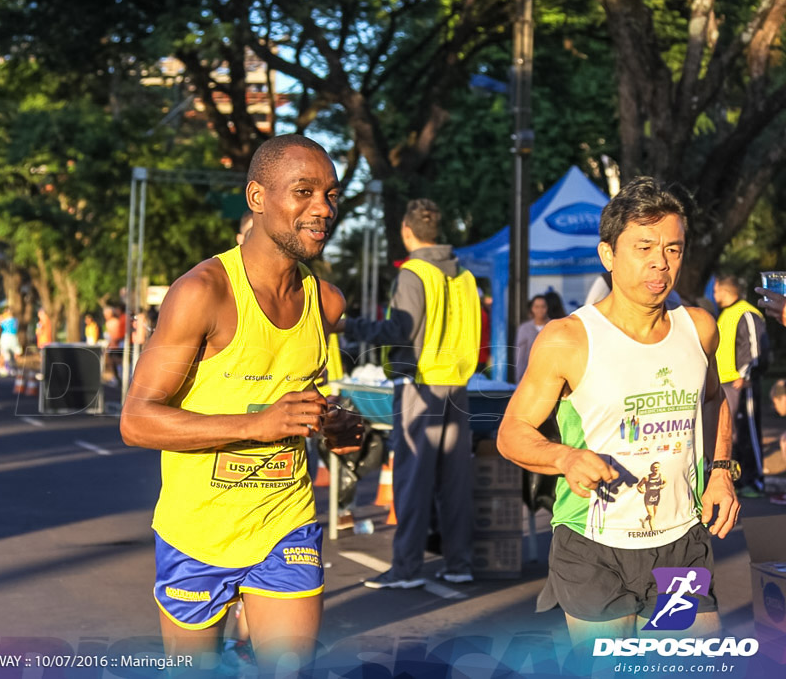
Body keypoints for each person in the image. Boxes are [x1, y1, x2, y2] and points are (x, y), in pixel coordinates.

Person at [120, 134, 362, 674]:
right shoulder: (203, 292)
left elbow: (299, 396)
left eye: (331, 195)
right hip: (197, 532)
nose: (323, 209)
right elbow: (136, 420)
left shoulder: (326, 301)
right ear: (257, 197)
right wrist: (258, 425)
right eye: (303, 192)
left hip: (285, 524)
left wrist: (334, 422)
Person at [496, 176, 738, 649]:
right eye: (643, 246)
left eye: (672, 248)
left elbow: (713, 399)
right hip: (593, 547)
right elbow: (512, 433)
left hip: (679, 543)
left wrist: (722, 470)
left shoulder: (699, 328)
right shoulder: (568, 338)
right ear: (608, 254)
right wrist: (564, 459)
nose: (659, 262)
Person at [338, 198, 482, 589]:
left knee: (413, 480)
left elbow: (398, 330)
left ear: (406, 231)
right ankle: (459, 563)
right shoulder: (465, 276)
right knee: (454, 480)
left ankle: (406, 569)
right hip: (458, 386)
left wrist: (350, 325)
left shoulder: (413, 274)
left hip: (421, 387)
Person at [713, 273, 768, 497]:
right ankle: (737, 480)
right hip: (724, 383)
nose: (714, 295)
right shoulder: (725, 315)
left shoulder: (745, 312)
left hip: (741, 384)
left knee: (748, 431)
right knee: (731, 433)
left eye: (716, 290)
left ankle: (755, 481)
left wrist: (747, 375)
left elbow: (756, 347)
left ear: (726, 291)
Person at [516, 294, 549, 382]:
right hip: (529, 377)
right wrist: (519, 377)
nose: (540, 310)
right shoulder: (524, 328)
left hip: (549, 376)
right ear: (532, 308)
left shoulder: (553, 326)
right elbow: (520, 354)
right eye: (536, 307)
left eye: (543, 306)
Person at [0, 307, 20, 377]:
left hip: (13, 337)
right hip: (5, 337)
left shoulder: (15, 320)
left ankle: (11, 368)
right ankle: (1, 368)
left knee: (14, 354)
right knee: (3, 354)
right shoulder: (3, 319)